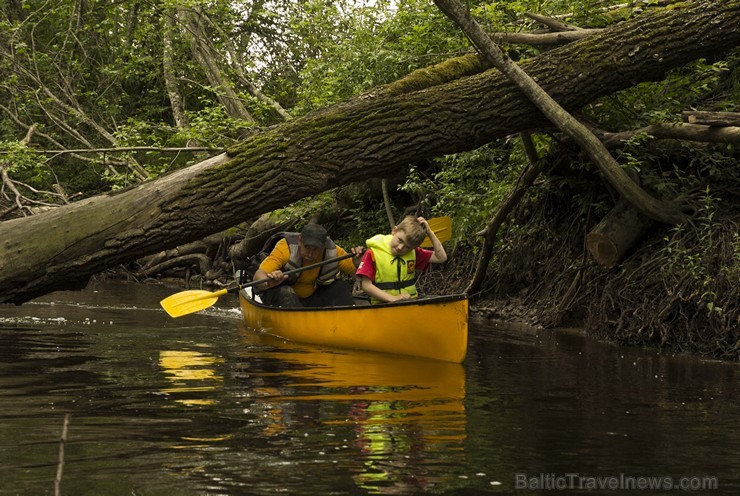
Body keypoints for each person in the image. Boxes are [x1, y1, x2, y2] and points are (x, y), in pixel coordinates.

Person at [253, 223, 363, 308]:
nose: (310, 254)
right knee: (286, 292)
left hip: (310, 298)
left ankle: (344, 321)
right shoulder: (284, 248)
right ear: (300, 241)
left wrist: (359, 264)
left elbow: (359, 276)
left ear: (323, 246)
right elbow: (258, 275)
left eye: (316, 249)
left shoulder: (335, 252)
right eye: (307, 247)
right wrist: (268, 282)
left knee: (340, 286)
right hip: (281, 297)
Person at [356, 216, 447, 304]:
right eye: (400, 240)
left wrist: (430, 232)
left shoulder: (413, 252)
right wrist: (393, 299)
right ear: (394, 231)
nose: (400, 248)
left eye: (407, 247)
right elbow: (366, 286)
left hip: (410, 303)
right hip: (382, 306)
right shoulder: (372, 253)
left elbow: (441, 257)